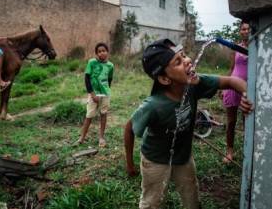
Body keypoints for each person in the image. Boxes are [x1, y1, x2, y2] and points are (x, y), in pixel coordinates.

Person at [124, 39, 254, 209]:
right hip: (155, 160)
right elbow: (129, 129)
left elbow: (231, 81)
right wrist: (129, 163)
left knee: (191, 195)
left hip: (183, 157)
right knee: (152, 201)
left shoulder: (194, 84)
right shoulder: (153, 105)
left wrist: (246, 94)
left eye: (184, 55)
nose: (187, 60)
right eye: (178, 61)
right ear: (164, 78)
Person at [222, 21, 250, 163]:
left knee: (248, 123)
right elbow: (231, 67)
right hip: (232, 87)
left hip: (247, 89)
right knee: (231, 122)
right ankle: (229, 152)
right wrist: (224, 85)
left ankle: (248, 152)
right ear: (240, 31)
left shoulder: (258, 48)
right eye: (243, 29)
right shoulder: (236, 48)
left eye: (248, 29)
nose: (246, 31)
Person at [77, 42, 114, 147]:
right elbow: (87, 78)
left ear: (107, 52)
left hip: (105, 94)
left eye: (104, 51)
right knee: (89, 115)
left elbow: (109, 79)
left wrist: (106, 91)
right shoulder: (92, 62)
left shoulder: (110, 65)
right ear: (96, 53)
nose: (102, 53)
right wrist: (92, 94)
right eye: (99, 51)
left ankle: (101, 138)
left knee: (103, 114)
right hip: (94, 94)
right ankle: (82, 137)